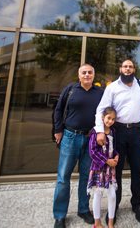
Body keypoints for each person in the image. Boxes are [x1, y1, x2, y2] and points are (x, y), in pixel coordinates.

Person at [94, 59, 140, 224]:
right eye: (125, 66)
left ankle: (137, 204)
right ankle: (116, 206)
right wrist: (100, 131)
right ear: (120, 68)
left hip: (136, 132)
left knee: (136, 170)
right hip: (118, 132)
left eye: (131, 66)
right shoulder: (112, 87)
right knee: (117, 170)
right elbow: (101, 109)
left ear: (134, 69)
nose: (127, 69)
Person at [52, 64, 104, 228]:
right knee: (63, 178)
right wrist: (58, 130)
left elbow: (107, 112)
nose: (87, 75)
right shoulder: (70, 89)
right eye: (84, 72)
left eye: (90, 72)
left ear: (94, 75)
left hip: (90, 139)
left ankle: (83, 209)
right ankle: (60, 216)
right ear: (79, 75)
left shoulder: (100, 93)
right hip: (70, 136)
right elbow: (58, 110)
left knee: (86, 177)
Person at [88, 107, 119, 228]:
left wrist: (116, 155)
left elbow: (113, 148)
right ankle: (97, 223)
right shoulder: (95, 132)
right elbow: (92, 151)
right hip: (98, 168)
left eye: (113, 119)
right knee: (98, 195)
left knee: (112, 195)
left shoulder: (113, 132)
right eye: (108, 118)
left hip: (110, 171)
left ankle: (110, 222)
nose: (110, 121)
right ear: (102, 118)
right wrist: (106, 161)